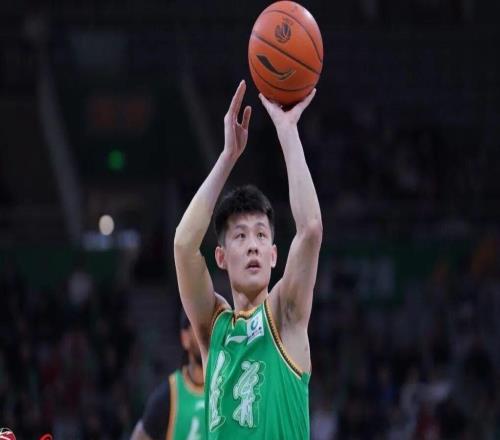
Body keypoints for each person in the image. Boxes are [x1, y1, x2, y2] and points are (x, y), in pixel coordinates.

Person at [174, 80, 322, 439]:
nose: (253, 245)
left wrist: (287, 130)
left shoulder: (285, 315)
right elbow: (183, 245)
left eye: (261, 235)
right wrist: (228, 157)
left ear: (274, 255)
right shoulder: (213, 328)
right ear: (221, 256)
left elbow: (310, 230)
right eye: (241, 236)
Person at [130, 311, 205, 440]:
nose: (207, 334)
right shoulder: (169, 394)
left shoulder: (227, 386)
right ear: (185, 338)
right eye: (200, 327)